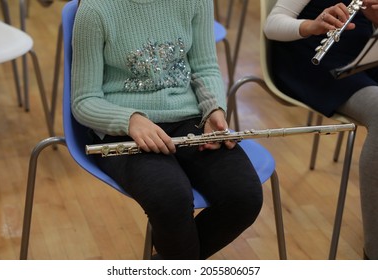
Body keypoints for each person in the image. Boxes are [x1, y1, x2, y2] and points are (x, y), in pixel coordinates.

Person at [71, 0, 263, 260]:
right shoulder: (95, 10)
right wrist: (130, 120)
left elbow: (205, 68)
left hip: (189, 118)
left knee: (244, 197)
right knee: (170, 199)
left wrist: (214, 110)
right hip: (123, 128)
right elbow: (84, 101)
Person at [264, 0, 378, 259]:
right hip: (315, 61)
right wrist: (312, 26)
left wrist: (375, 20)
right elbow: (272, 24)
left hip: (364, 54)